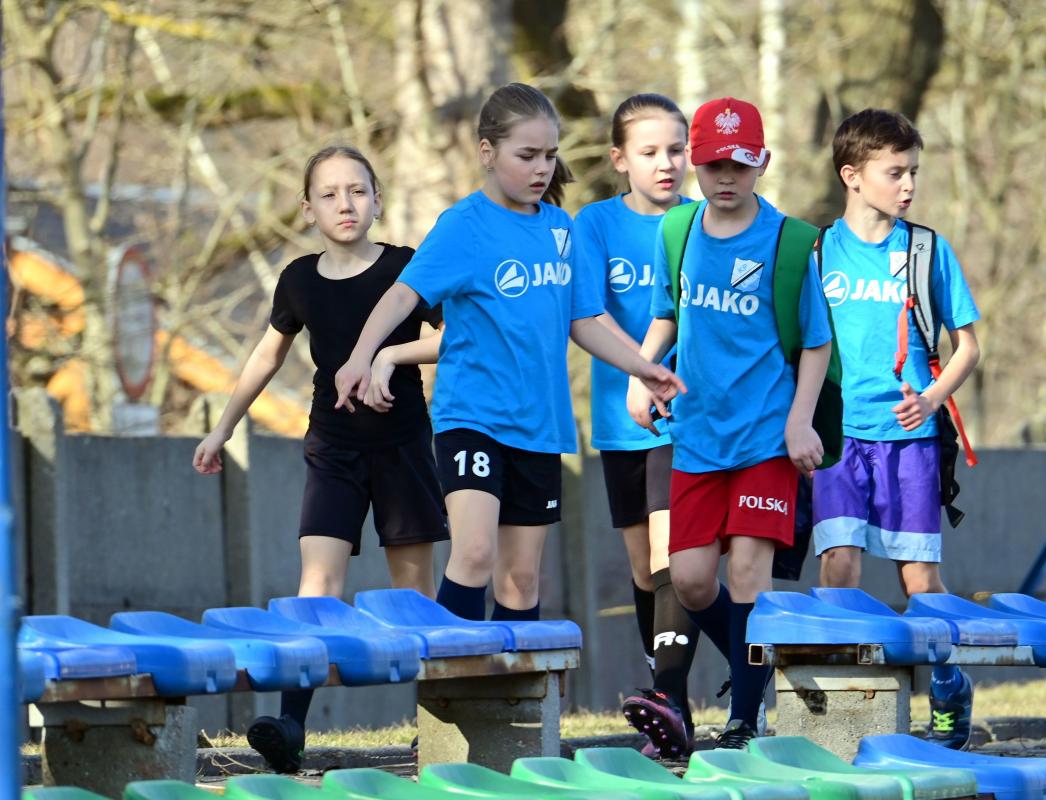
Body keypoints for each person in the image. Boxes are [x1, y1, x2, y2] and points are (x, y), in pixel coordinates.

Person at [336, 83, 685, 624]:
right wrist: (362, 355)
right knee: (475, 554)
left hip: (541, 426)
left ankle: (509, 682)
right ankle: (451, 670)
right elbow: (404, 294)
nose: (542, 168)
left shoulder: (560, 228)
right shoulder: (464, 225)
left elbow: (584, 320)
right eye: (527, 155)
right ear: (487, 152)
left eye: (549, 155)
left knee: (521, 581)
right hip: (473, 419)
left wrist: (644, 368)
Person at [192, 146, 448, 772]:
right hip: (333, 447)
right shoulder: (299, 279)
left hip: (403, 445)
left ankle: (436, 728)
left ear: (377, 199)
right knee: (318, 588)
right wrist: (223, 428)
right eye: (329, 194)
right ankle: (291, 726)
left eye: (357, 190)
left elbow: (452, 337)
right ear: (308, 209)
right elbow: (266, 355)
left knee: (414, 593)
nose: (345, 204)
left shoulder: (407, 266)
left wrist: (392, 357)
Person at [627, 97, 832, 752]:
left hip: (765, 439)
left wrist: (799, 421)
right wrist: (641, 372)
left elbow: (817, 343)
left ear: (761, 163)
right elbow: (667, 314)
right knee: (689, 580)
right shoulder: (677, 231)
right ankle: (760, 666)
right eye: (714, 164)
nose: (726, 177)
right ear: (696, 163)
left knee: (748, 572)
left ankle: (744, 721)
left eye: (740, 165)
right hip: (696, 437)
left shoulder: (790, 243)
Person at [811, 108, 982, 750]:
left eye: (913, 172)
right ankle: (839, 706)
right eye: (895, 172)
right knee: (839, 564)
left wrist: (932, 399)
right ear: (851, 175)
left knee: (919, 581)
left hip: (909, 442)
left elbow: (968, 347)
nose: (908, 184)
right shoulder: (816, 252)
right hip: (837, 438)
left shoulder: (926, 251)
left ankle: (949, 684)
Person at [573, 93, 701, 756]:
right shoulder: (595, 223)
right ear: (619, 159)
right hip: (620, 420)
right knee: (644, 571)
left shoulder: (703, 221)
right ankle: (666, 697)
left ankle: (671, 700)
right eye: (649, 152)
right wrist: (636, 370)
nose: (666, 163)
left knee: (669, 555)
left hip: (688, 418)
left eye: (677, 149)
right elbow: (588, 313)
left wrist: (658, 375)